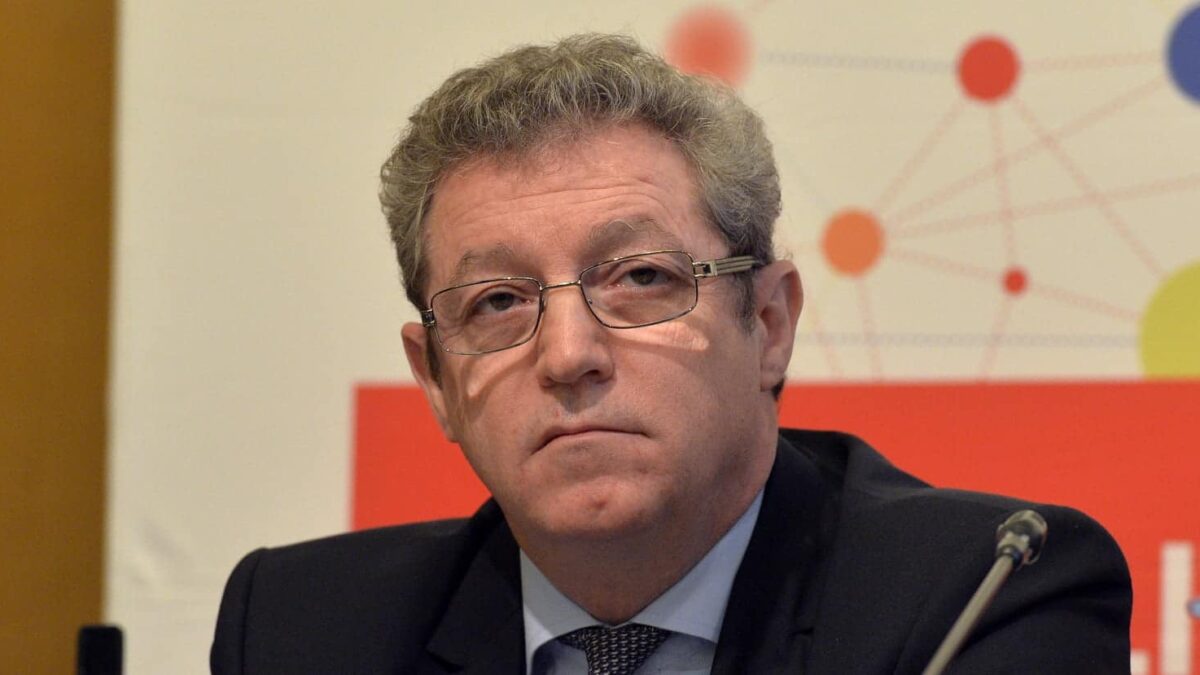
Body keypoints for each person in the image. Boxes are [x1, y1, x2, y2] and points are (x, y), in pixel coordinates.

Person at [211, 34, 1131, 674]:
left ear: (767, 322)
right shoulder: (301, 631)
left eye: (641, 278)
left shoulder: (983, 596)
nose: (569, 354)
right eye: (498, 301)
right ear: (436, 380)